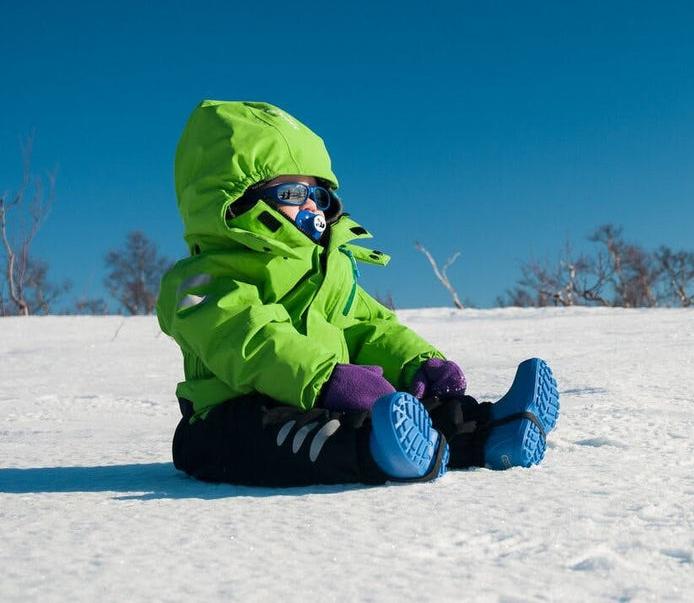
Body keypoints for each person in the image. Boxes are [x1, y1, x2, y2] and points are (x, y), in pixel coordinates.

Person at [157, 100, 559, 486]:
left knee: (410, 408)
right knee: (285, 431)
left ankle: (492, 433)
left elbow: (368, 328)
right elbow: (249, 338)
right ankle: (380, 451)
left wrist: (417, 364)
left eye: (319, 195)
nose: (313, 208)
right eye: (293, 195)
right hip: (223, 419)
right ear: (236, 199)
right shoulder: (202, 281)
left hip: (325, 394)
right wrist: (326, 379)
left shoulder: (328, 271)